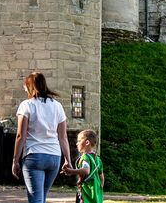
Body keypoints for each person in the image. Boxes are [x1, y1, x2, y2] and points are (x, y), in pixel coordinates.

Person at [12, 72, 72, 203]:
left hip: (34, 155)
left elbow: (20, 135)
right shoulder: (58, 106)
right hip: (54, 157)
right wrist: (68, 160)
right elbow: (63, 137)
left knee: (36, 199)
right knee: (41, 198)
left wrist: (15, 160)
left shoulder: (27, 105)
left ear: (29, 87)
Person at [62, 129, 105, 203]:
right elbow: (102, 178)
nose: (77, 143)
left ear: (87, 142)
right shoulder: (98, 159)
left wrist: (70, 171)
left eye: (79, 141)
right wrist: (98, 189)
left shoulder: (85, 157)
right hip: (96, 192)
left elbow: (86, 170)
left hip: (86, 191)